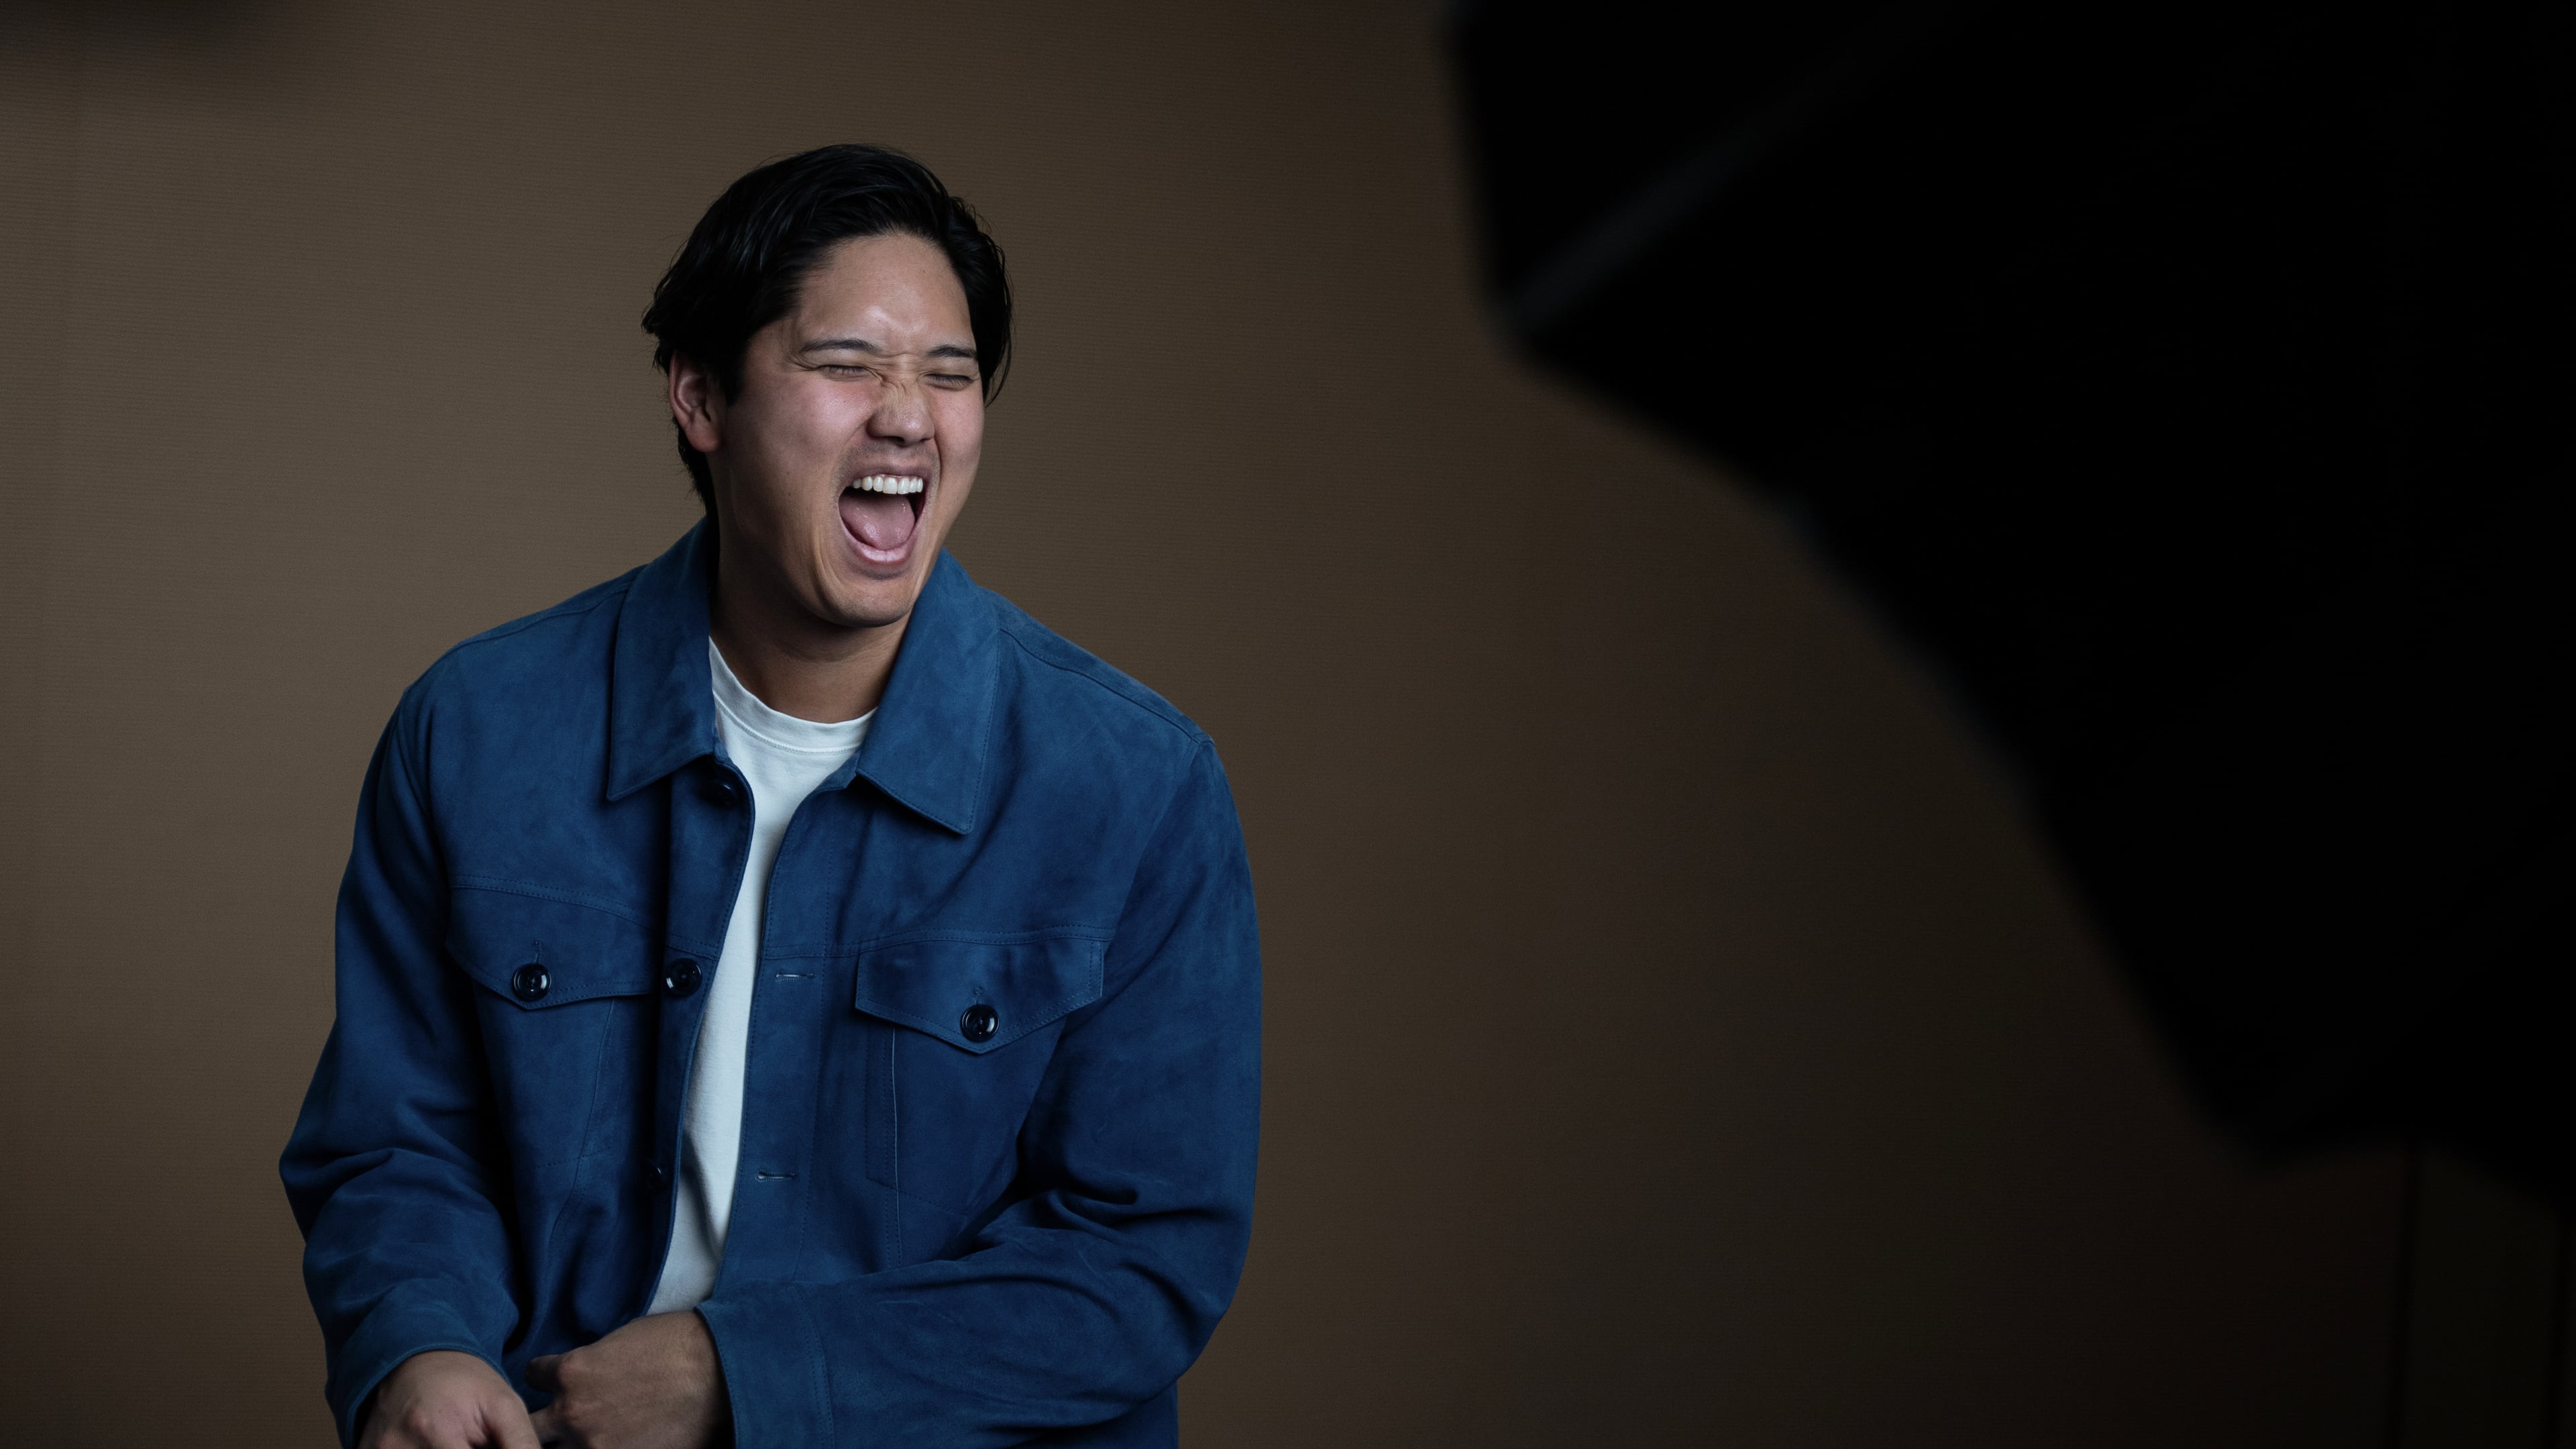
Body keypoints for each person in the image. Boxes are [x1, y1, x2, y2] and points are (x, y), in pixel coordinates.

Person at [281, 144, 1262, 1449]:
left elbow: (1140, 1264)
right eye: (849, 364)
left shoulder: (1136, 788)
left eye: (950, 376)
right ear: (700, 398)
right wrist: (423, 1343)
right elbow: (399, 1140)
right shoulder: (476, 733)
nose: (909, 416)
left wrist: (739, 1376)